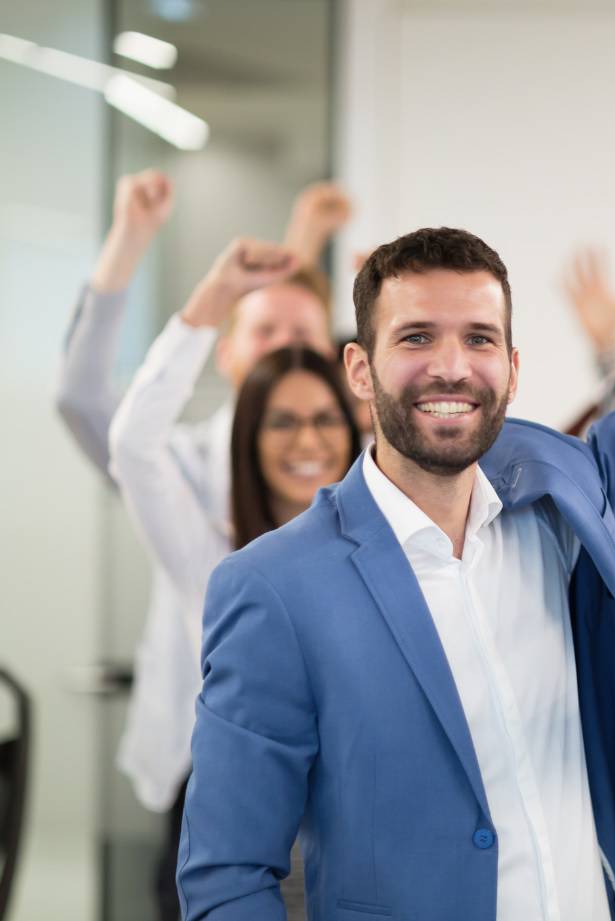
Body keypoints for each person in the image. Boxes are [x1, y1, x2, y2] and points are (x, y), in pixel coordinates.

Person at [176, 48, 615, 921]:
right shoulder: (273, 587)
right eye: (415, 336)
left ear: (514, 364)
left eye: (479, 339)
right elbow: (227, 874)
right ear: (359, 368)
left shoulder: (566, 486)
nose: (451, 367)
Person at [55, 172, 350, 921]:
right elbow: (99, 411)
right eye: (263, 335)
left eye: (304, 338)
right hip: (217, 774)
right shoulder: (192, 499)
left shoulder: (370, 495)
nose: (304, 439)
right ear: (226, 353)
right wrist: (161, 258)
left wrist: (304, 240)